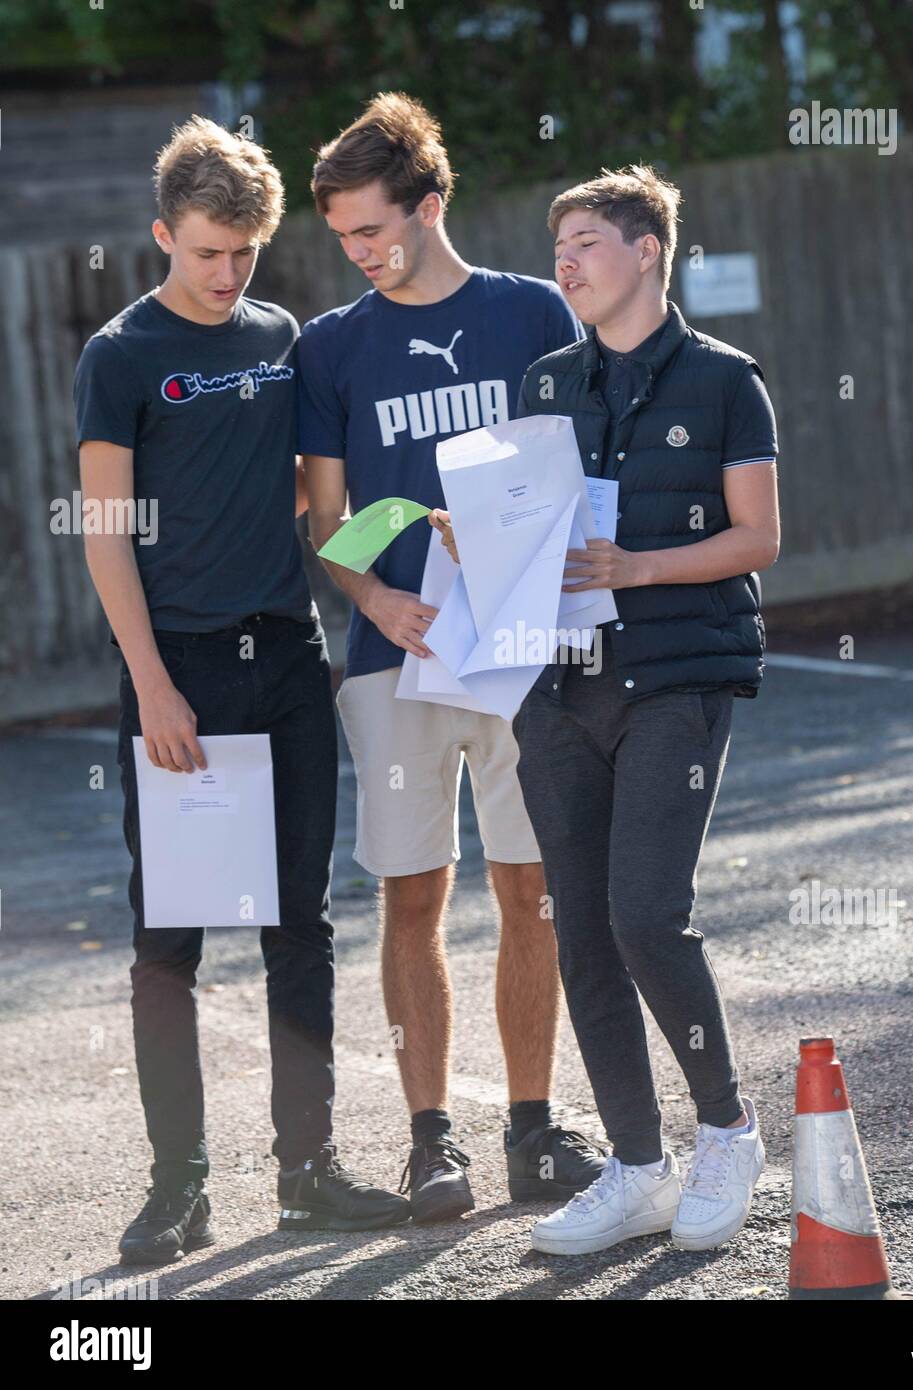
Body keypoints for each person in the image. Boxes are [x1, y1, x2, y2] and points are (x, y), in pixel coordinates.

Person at [73, 116, 410, 1265]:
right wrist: (153, 689)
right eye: (208, 251)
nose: (227, 276)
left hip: (290, 662)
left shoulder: (284, 337)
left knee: (298, 925)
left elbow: (327, 512)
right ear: (165, 233)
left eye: (246, 253)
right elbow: (107, 541)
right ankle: (180, 1189)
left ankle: (308, 1171)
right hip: (182, 675)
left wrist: (422, 527)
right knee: (171, 940)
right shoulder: (118, 355)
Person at [438, 163, 781, 1254]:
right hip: (555, 685)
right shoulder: (541, 383)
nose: (566, 261)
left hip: (677, 680)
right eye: (558, 245)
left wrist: (633, 565)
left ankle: (726, 1130)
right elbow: (527, 530)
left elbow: (757, 540)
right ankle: (637, 1164)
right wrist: (477, 540)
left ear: (646, 250)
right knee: (577, 926)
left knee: (644, 914)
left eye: (586, 240)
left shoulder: (729, 379)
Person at [297, 93, 607, 1223]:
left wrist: (531, 548)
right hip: (395, 652)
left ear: (431, 205)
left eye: (375, 228)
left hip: (524, 650)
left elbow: (579, 465)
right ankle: (431, 1142)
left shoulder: (533, 315)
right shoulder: (331, 346)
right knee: (411, 901)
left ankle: (533, 1130)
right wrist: (383, 578)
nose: (362, 253)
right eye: (342, 239)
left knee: (533, 896)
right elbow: (329, 520)